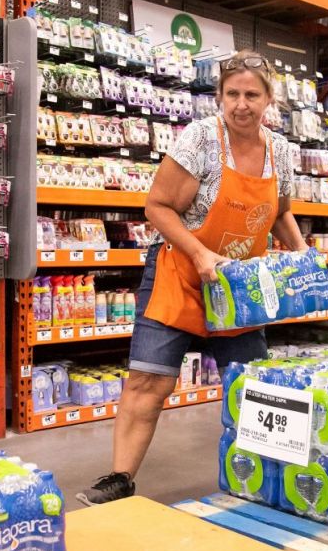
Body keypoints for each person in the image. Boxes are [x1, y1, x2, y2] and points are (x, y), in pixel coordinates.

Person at [77, 50, 308, 505]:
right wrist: (201, 253)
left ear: (268, 99)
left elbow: (279, 211)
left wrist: (301, 251)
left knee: (250, 383)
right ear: (219, 95)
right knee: (150, 380)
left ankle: (262, 480)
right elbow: (156, 207)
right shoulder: (200, 138)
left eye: (252, 95)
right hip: (181, 272)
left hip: (238, 287)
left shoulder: (280, 150)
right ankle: (119, 479)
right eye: (232, 94)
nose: (241, 104)